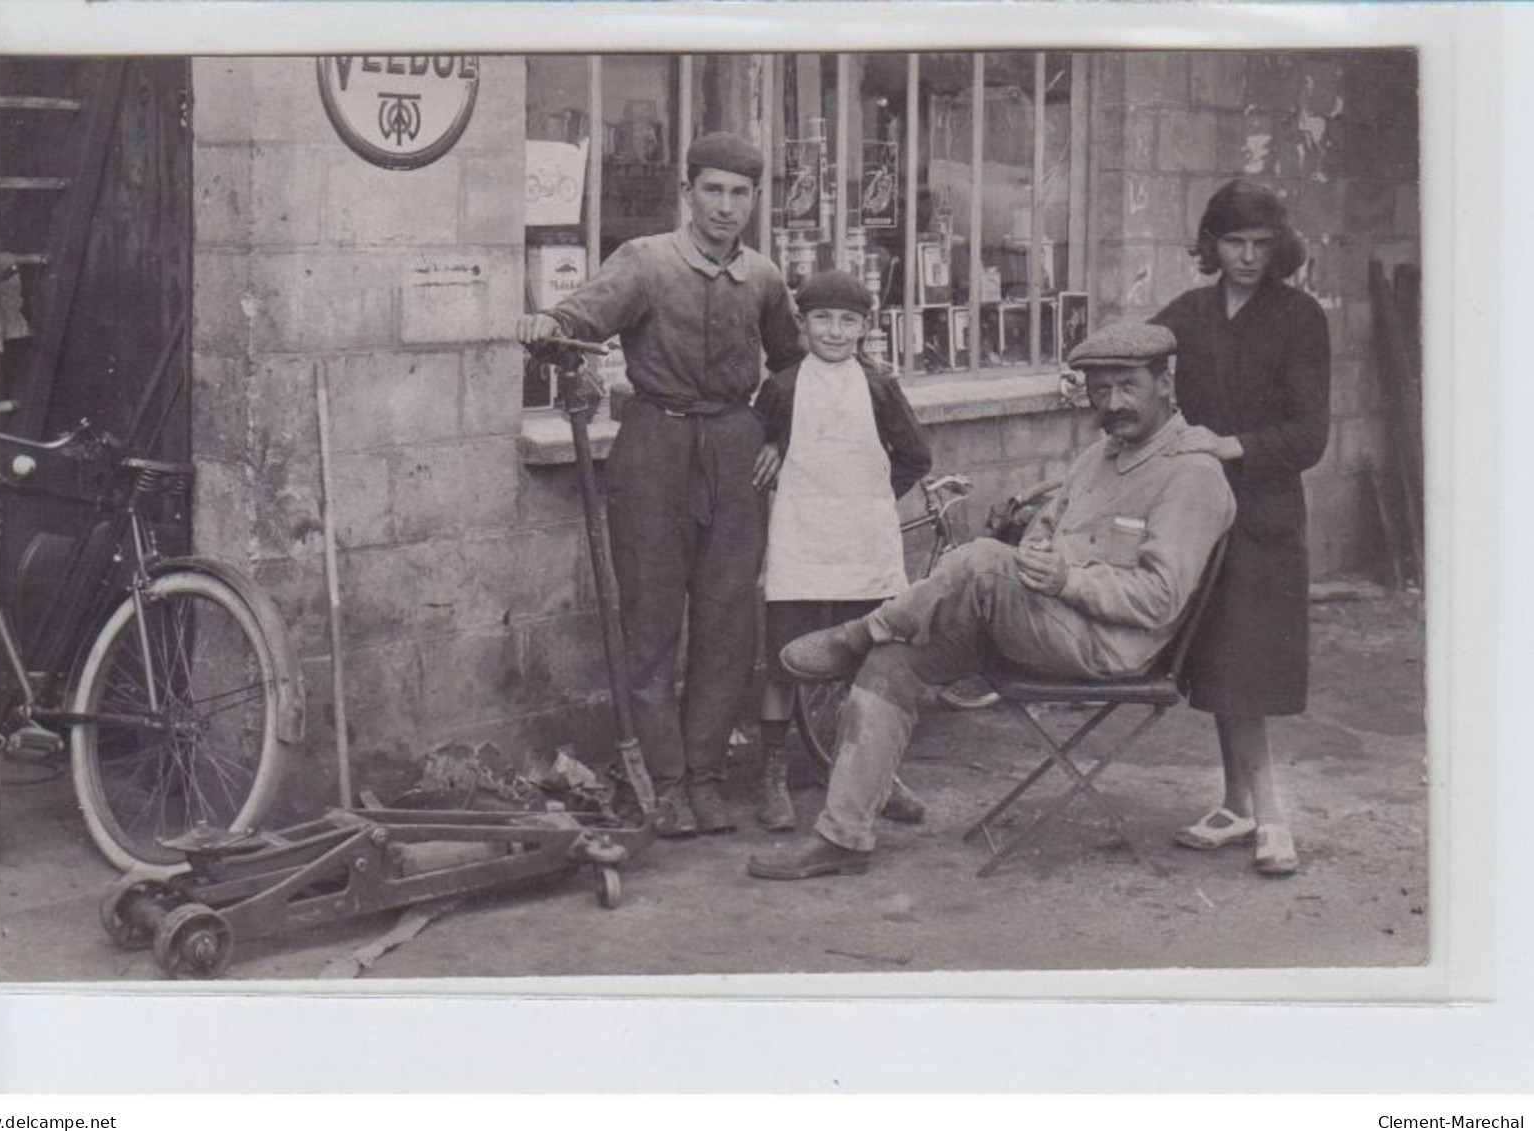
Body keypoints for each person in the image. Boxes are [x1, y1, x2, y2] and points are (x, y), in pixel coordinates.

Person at [746, 322, 1236, 879]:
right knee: (896, 661)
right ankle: (844, 837)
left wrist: (1065, 580)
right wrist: (1037, 554)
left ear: (1165, 384)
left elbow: (1160, 599)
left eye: (1128, 387)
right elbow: (1043, 533)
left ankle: (859, 633)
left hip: (1106, 645)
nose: (1113, 403)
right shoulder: (1099, 456)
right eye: (1099, 390)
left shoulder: (1191, 474)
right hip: (1037, 618)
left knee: (979, 560)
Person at [516, 133, 805, 838]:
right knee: (650, 620)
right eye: (712, 190)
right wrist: (546, 323)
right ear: (687, 193)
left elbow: (796, 366)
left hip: (734, 450)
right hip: (654, 446)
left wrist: (773, 436)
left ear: (755, 199)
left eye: (739, 193)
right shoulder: (645, 262)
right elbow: (578, 318)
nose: (724, 207)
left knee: (727, 621)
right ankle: (666, 781)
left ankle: (706, 778)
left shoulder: (763, 277)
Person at [1152, 179, 1331, 877]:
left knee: (1248, 669)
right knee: (1219, 666)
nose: (1247, 257)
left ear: (1278, 247)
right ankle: (1233, 804)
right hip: (1197, 513)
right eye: (1233, 242)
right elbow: (1138, 349)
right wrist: (1090, 368)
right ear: (1210, 243)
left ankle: (1274, 815)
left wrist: (1230, 445)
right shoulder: (1191, 313)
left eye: (1260, 244)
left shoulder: (1299, 317)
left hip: (1263, 517)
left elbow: (1310, 435)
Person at [749, 269, 932, 832]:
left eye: (847, 321)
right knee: (784, 659)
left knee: (871, 661)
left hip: (863, 543)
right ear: (802, 325)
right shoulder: (781, 386)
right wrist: (776, 446)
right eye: (822, 319)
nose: (834, 331)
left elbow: (915, 456)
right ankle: (773, 775)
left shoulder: (879, 387)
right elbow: (758, 445)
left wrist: (872, 498)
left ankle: (874, 774)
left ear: (865, 328)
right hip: (801, 537)